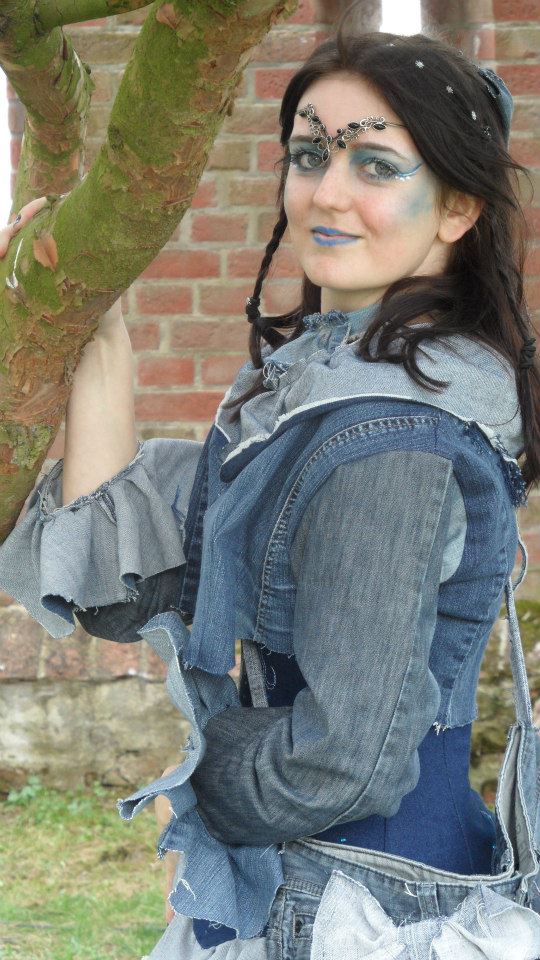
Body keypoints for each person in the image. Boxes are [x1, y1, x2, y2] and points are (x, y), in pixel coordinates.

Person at [1, 17, 540, 960]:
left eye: (376, 166)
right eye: (308, 154)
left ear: (458, 207)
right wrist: (96, 332)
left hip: (355, 915)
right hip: (300, 886)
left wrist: (203, 781)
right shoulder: (319, 393)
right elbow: (127, 596)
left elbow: (348, 761)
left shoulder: (393, 432)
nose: (326, 192)